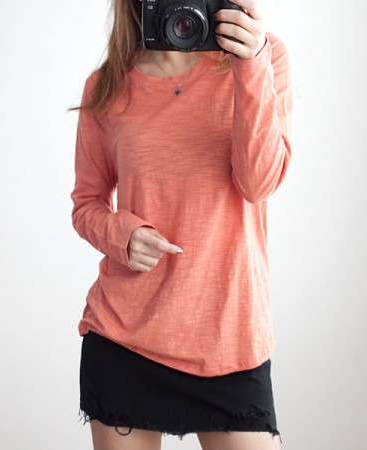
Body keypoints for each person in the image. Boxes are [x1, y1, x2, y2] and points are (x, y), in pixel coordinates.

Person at [69, 0, 293, 448]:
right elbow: (86, 204)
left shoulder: (263, 56)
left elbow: (259, 184)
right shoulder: (107, 85)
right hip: (124, 339)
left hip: (230, 338)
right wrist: (123, 235)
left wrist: (249, 64)